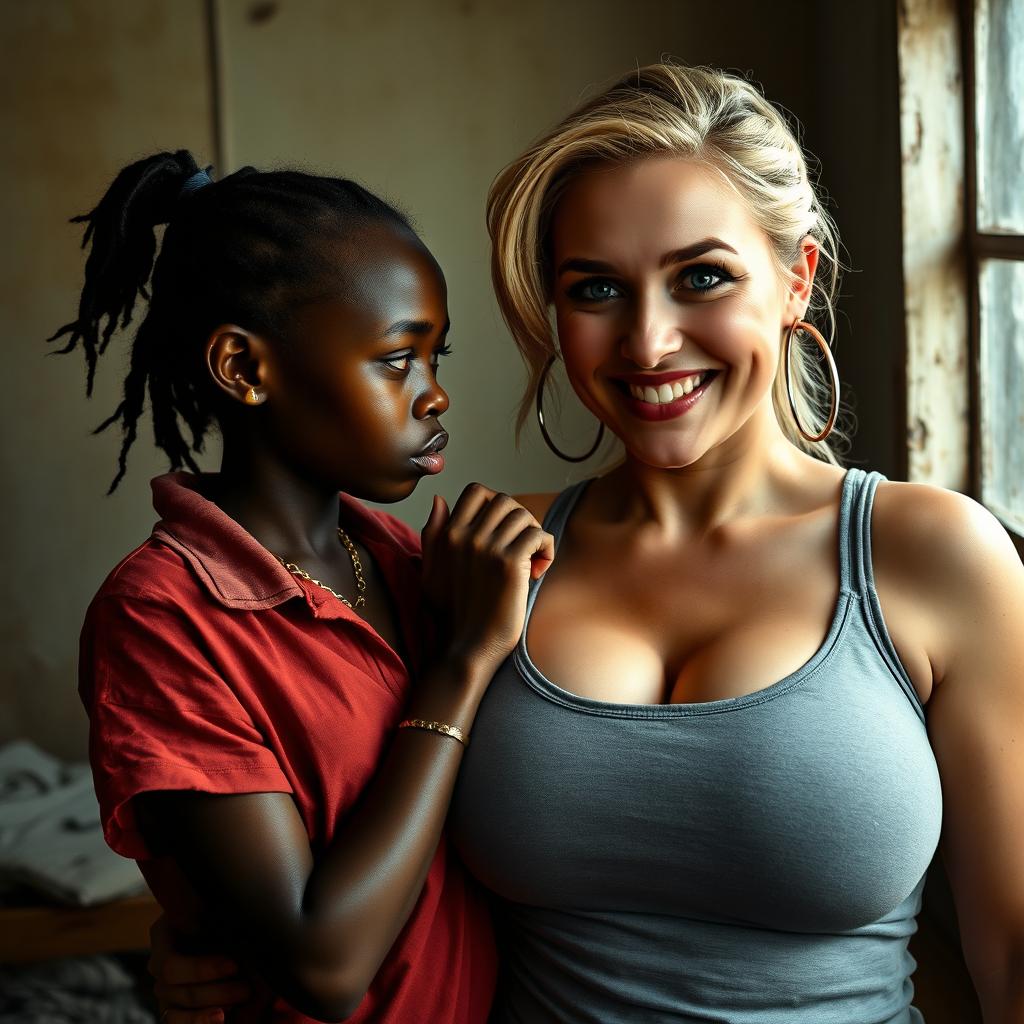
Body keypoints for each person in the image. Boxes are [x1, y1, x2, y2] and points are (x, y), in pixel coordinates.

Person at [155, 64, 1024, 1023]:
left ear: (795, 279)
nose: (648, 343)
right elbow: (351, 841)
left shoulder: (935, 556)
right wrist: (209, 935)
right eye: (597, 289)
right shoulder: (480, 559)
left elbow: (1011, 952)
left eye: (702, 277)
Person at [57, 151, 554, 1024]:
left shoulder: (410, 563)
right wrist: (461, 668)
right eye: (397, 360)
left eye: (438, 358)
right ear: (245, 369)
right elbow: (322, 966)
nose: (435, 396)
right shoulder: (165, 617)